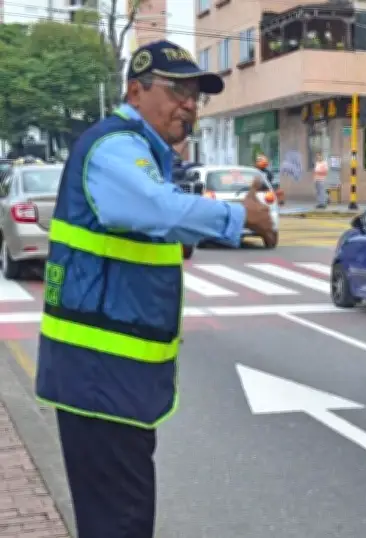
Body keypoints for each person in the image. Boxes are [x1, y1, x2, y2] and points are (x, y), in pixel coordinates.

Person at [34, 40, 274, 538]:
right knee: (120, 522)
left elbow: (142, 227)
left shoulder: (146, 152)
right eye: (176, 90)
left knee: (120, 517)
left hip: (114, 379)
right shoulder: (116, 144)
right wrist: (237, 215)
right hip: (99, 373)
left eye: (195, 94)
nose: (188, 103)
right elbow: (151, 207)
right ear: (135, 91)